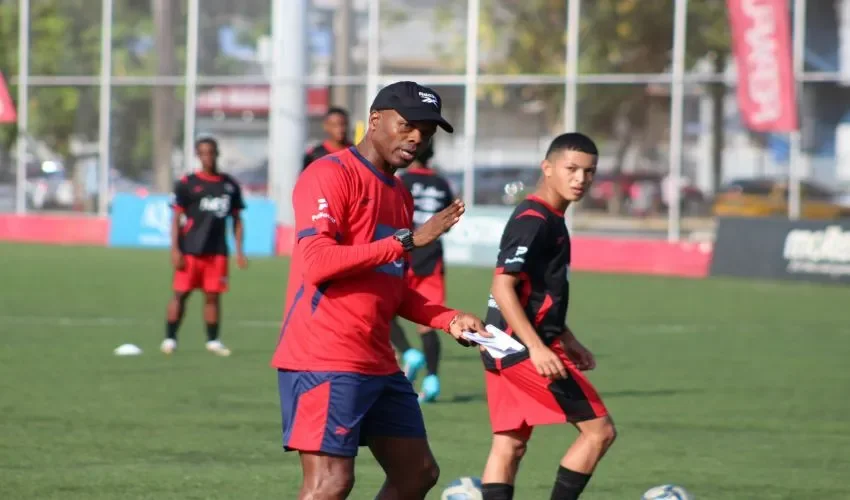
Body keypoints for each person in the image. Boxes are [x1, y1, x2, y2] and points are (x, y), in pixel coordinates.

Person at [271, 81, 490, 500]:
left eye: (425, 132)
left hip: (377, 361)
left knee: (417, 473)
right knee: (331, 483)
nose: (416, 139)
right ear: (374, 121)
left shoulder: (400, 195)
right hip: (325, 357)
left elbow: (393, 287)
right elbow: (317, 264)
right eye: (406, 126)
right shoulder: (329, 173)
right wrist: (408, 240)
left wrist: (449, 319)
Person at [479, 133, 617, 500]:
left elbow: (536, 291)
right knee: (599, 431)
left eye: (589, 172)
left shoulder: (550, 217)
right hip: (519, 346)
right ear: (547, 168)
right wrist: (539, 348)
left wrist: (568, 339)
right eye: (571, 169)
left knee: (509, 444)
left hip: (499, 343)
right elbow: (502, 286)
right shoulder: (534, 219)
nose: (580, 179)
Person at [161, 137, 248, 357]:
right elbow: (176, 218)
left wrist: (239, 251)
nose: (208, 156)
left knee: (213, 296)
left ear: (217, 154)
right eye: (203, 153)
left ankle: (213, 341)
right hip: (190, 250)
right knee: (181, 294)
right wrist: (175, 249)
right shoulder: (188, 183)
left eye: (211, 152)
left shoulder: (229, 185)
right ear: (198, 155)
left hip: (217, 251)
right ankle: (170, 338)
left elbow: (237, 220)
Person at [389, 142, 455, 403]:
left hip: (404, 252)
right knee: (429, 321)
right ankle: (432, 379)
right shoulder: (441, 183)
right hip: (432, 257)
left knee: (385, 311)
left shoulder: (402, 180)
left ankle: (407, 353)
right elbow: (447, 222)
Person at [302, 107, 352, 172]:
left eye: (343, 124)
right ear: (326, 126)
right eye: (334, 125)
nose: (340, 129)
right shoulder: (313, 155)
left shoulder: (357, 153)